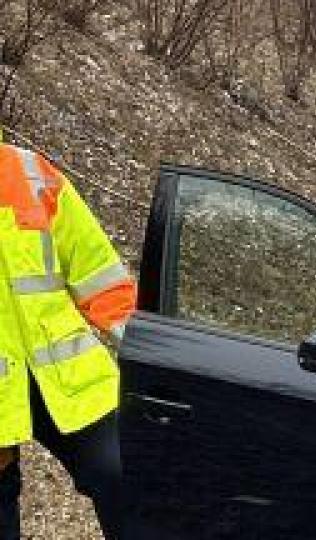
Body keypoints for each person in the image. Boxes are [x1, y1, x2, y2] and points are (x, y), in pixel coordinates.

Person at [0, 142, 136, 539]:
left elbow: (99, 273)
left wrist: (149, 352)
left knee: (126, 475)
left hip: (70, 378)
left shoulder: (29, 171)